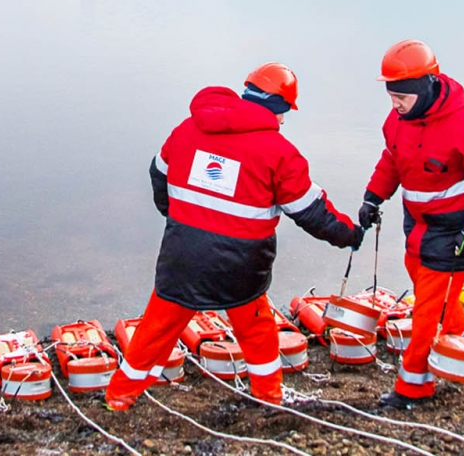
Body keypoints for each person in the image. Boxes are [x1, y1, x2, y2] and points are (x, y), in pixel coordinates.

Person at [104, 62, 363, 411]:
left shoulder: (186, 130)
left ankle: (119, 398)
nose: (285, 120)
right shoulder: (279, 152)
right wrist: (350, 235)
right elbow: (313, 214)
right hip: (241, 266)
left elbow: (158, 174)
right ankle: (269, 398)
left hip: (183, 257)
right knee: (257, 334)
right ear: (279, 107)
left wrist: (176, 217)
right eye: (286, 112)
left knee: (155, 331)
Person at [356, 40, 464, 410]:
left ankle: (413, 387)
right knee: (436, 300)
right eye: (391, 96)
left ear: (426, 87)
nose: (395, 104)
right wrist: (372, 197)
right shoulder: (396, 122)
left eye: (402, 97)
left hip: (455, 233)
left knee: (426, 311)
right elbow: (392, 161)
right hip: (417, 228)